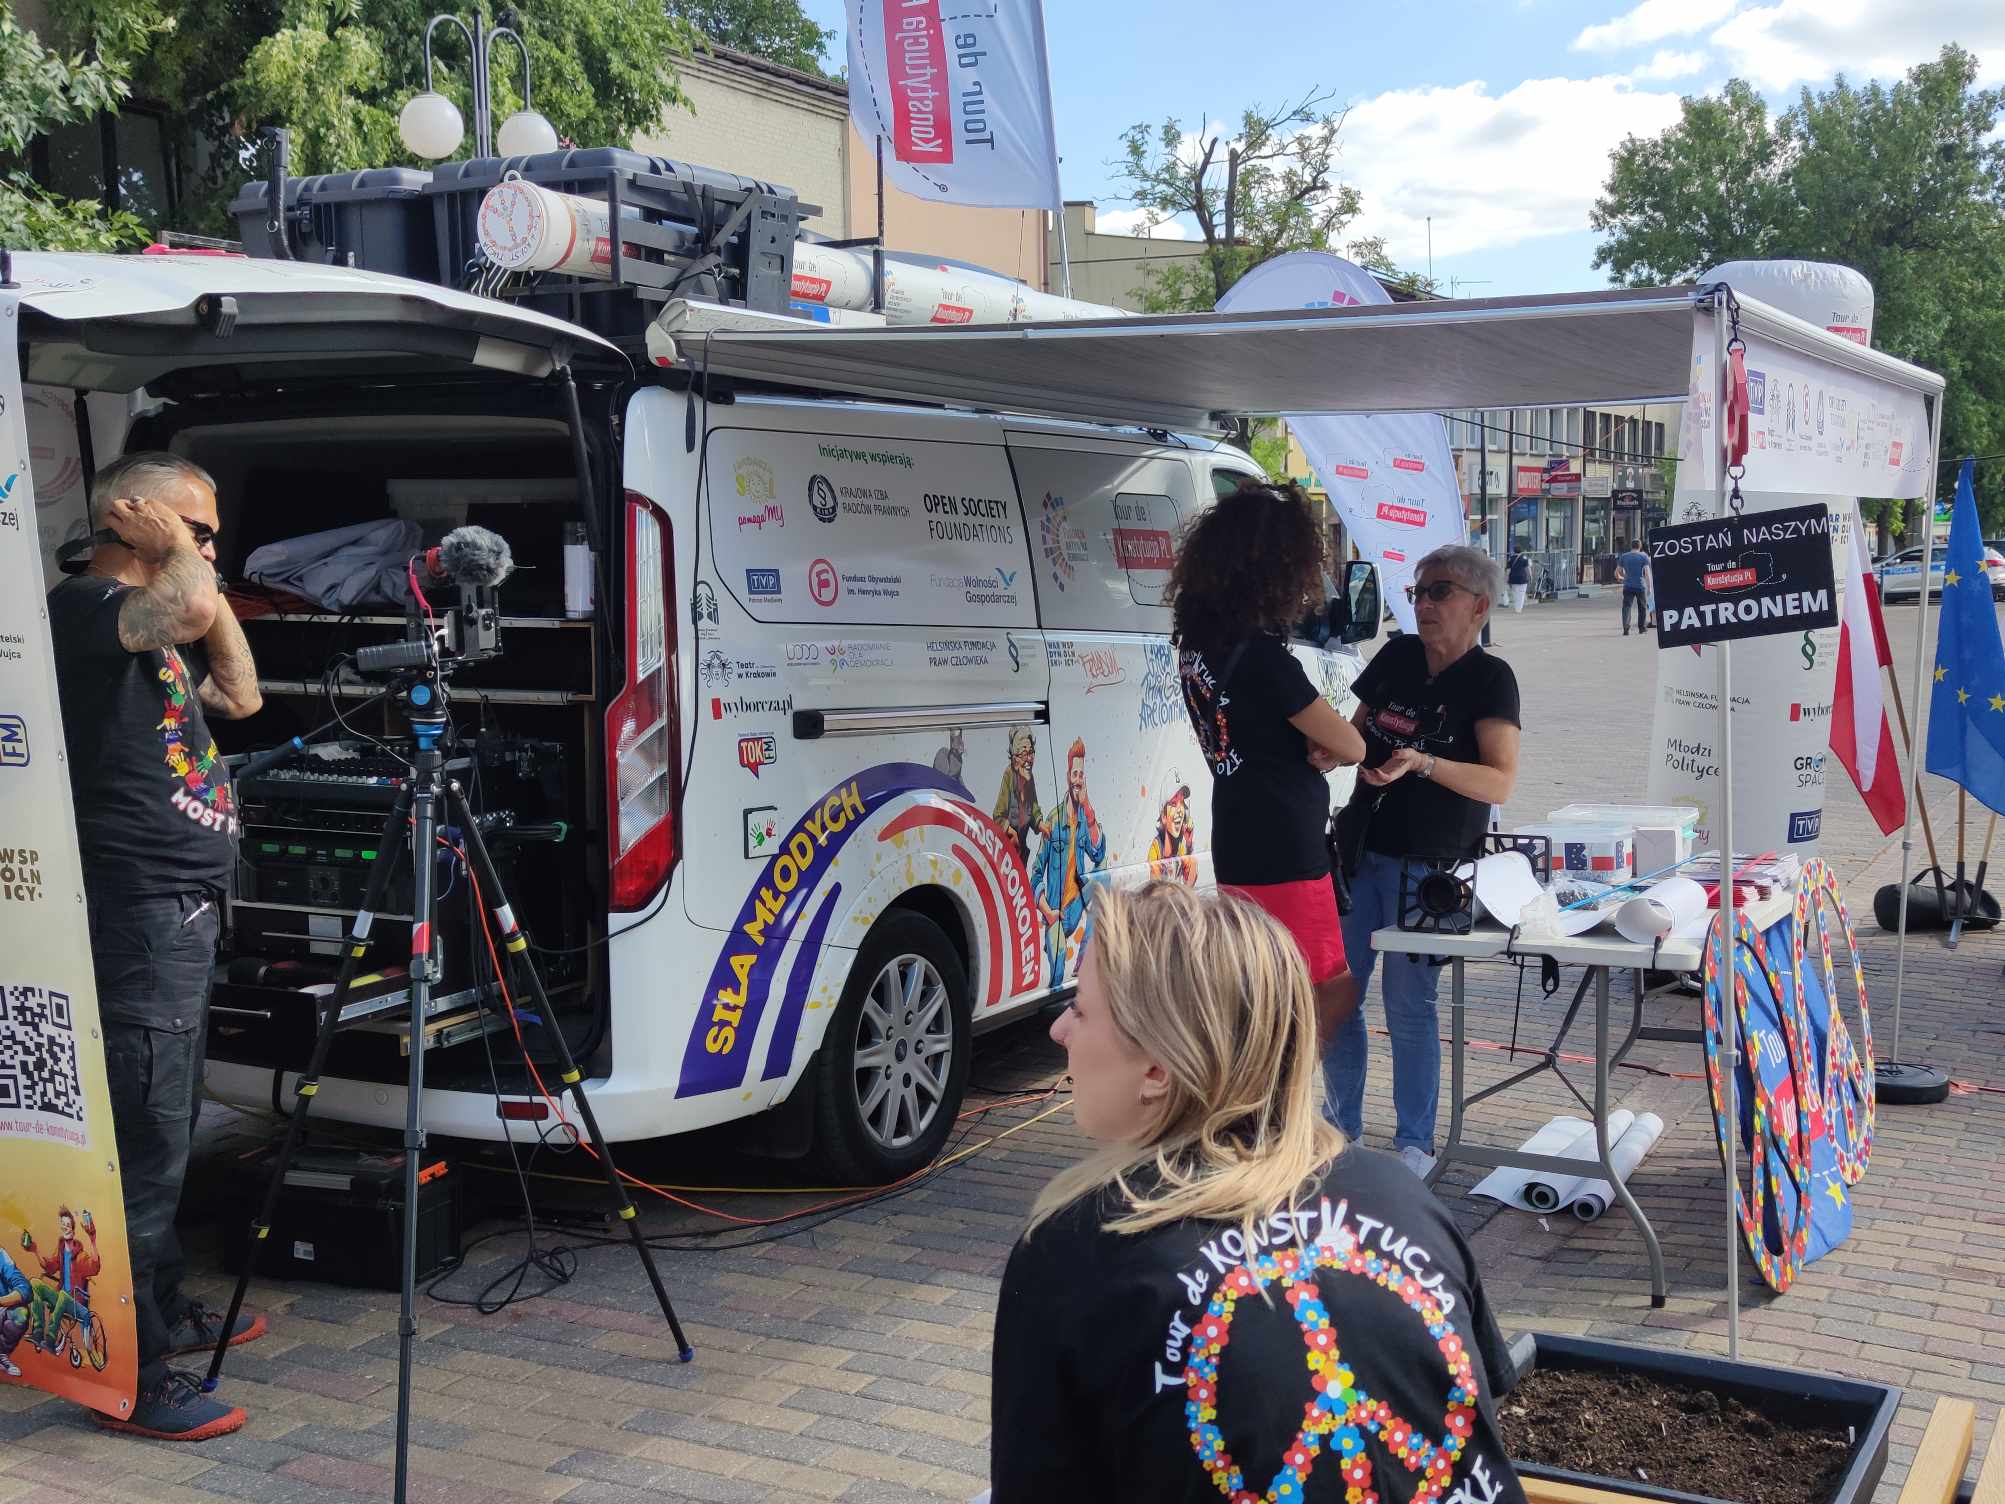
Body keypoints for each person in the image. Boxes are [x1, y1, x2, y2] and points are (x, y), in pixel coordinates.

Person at [990, 882, 1528, 1503]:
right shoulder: (1399, 1193)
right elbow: (1475, 1408)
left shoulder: (1073, 1251)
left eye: (1081, 1011)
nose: (1059, 1030)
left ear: (1158, 1070)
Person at [46, 452, 267, 1440]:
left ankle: (163, 1302)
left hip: (179, 907)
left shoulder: (160, 618)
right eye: (197, 530)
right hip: (134, 909)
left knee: (167, 1120)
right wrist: (180, 557)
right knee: (144, 1135)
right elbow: (184, 606)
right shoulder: (85, 609)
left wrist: (193, 568)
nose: (210, 551)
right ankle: (131, 1369)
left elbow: (241, 695)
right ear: (133, 520)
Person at [1332, 545, 1521, 1177]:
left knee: (1409, 1004)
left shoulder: (1491, 678)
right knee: (1338, 997)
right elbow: (1352, 734)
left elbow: (1499, 781)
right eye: (1418, 592)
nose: (1424, 604)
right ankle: (1340, 1132)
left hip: (1433, 870)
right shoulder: (1396, 656)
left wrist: (1425, 762)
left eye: (1440, 592)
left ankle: (1414, 1145)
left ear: (1479, 606)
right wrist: (1325, 750)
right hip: (1361, 852)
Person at [1168, 479, 1367, 1045]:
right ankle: (1282, 1089)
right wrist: (1326, 745)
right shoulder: (1266, 660)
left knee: (1260, 985)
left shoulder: (1198, 648)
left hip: (1237, 833)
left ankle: (1261, 1084)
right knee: (1325, 989)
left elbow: (1247, 728)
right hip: (1288, 846)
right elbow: (1353, 746)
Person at [0, 1242, 31, 1379]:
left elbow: (25, 1288)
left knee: (20, 1313)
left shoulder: (1, 1255)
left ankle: (1, 1354)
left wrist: (1, 1301)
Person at [1616, 539, 1651, 636]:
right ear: (1640, 546)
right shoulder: (1644, 556)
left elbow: (1617, 572)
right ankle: (1642, 628)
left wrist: (1621, 578)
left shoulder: (1624, 556)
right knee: (1642, 607)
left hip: (1628, 586)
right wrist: (1649, 588)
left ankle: (1626, 628)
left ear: (1631, 546)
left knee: (1626, 607)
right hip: (1640, 586)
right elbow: (1647, 573)